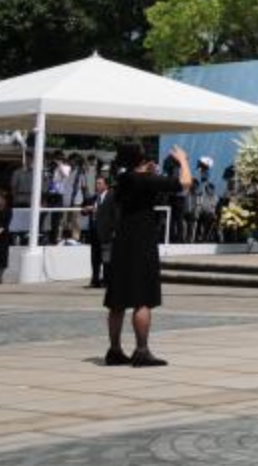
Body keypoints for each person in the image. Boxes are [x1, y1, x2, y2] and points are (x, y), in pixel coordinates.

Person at [104, 143, 193, 367]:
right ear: (142, 160)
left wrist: (147, 171)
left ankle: (114, 350)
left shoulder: (123, 179)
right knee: (142, 298)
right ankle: (141, 350)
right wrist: (183, 160)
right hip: (142, 240)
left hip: (122, 240)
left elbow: (137, 181)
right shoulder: (145, 180)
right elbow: (185, 183)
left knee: (117, 301)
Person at [83, 176, 114, 289]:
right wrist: (85, 210)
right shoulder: (94, 197)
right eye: (96, 183)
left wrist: (114, 230)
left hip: (106, 232)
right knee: (95, 258)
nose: (97, 186)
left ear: (106, 185)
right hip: (94, 231)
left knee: (106, 258)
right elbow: (84, 210)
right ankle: (95, 280)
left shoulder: (111, 197)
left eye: (100, 183)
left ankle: (106, 280)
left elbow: (114, 213)